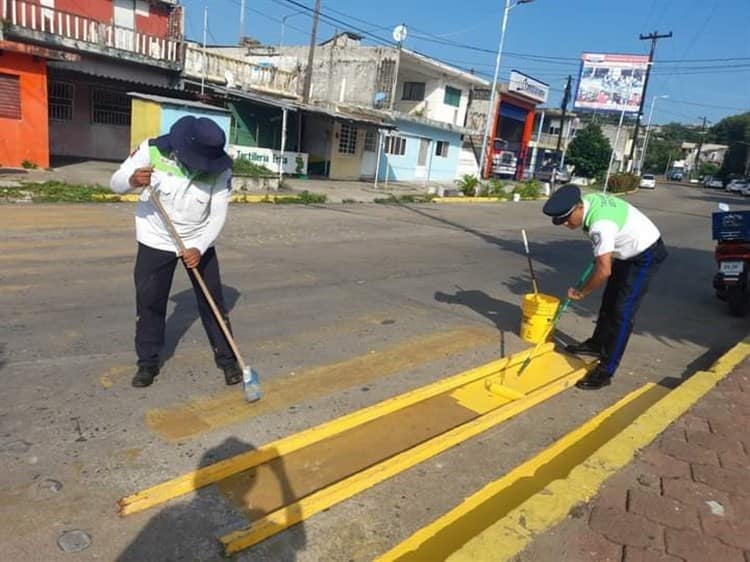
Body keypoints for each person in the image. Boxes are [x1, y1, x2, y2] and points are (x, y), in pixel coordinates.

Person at [110, 115, 242, 388]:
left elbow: (218, 214)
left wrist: (199, 247)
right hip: (155, 237)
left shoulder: (220, 168)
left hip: (197, 240)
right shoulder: (152, 150)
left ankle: (228, 360)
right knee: (150, 302)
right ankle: (147, 362)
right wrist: (132, 180)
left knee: (213, 303)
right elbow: (116, 182)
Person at [543, 184, 668, 390]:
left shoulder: (600, 225)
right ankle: (597, 344)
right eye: (560, 221)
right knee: (609, 300)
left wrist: (582, 292)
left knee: (622, 312)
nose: (565, 224)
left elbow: (603, 270)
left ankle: (607, 370)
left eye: (566, 219)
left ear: (578, 208)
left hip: (644, 254)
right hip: (625, 251)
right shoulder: (590, 202)